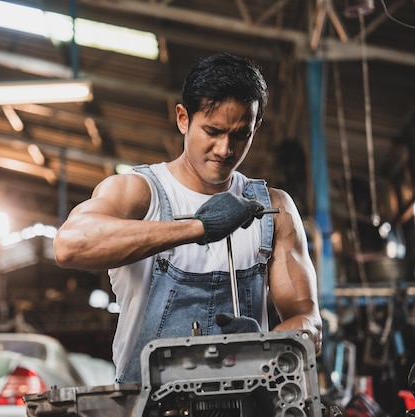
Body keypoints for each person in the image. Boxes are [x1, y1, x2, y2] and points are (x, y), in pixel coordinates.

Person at [53, 53, 322, 384]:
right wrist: (199, 228)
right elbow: (69, 245)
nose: (225, 149)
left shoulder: (273, 208)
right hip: (148, 404)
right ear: (183, 118)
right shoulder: (140, 192)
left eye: (240, 135)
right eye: (213, 130)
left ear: (256, 128)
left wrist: (261, 346)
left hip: (246, 402)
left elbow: (307, 322)